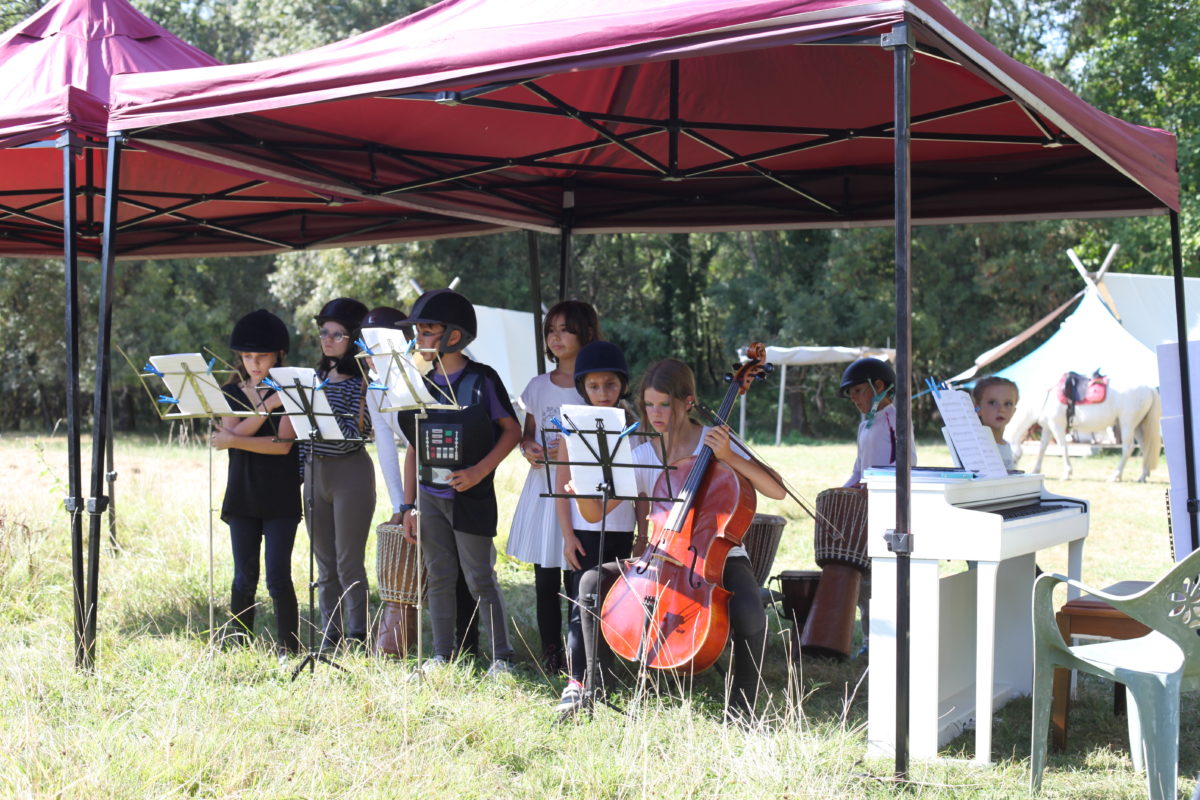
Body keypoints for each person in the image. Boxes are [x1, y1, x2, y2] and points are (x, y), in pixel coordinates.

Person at [572, 358, 785, 720]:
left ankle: (743, 709)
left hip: (719, 556)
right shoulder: (641, 455)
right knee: (592, 581)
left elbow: (776, 490)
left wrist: (729, 456)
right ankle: (593, 690)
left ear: (688, 402)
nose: (655, 414)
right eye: (649, 405)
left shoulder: (715, 441)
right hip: (659, 556)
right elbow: (594, 513)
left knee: (749, 611)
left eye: (664, 405)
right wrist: (578, 489)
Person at [397, 289, 522, 675]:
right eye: (417, 330)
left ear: (454, 335)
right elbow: (414, 446)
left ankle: (503, 658)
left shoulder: (483, 380)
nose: (419, 338)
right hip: (430, 498)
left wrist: (480, 471)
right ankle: (442, 655)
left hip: (473, 496)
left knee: (480, 577)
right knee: (438, 576)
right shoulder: (419, 384)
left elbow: (512, 430)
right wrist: (408, 506)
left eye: (428, 330)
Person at [361, 305, 478, 657]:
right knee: (439, 567)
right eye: (367, 351)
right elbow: (389, 451)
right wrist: (402, 507)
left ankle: (470, 645)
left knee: (465, 567)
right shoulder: (376, 391)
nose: (371, 360)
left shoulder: (433, 373)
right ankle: (443, 648)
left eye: (379, 349)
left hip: (460, 480)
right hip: (422, 485)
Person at [506, 300, 601, 675]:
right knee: (545, 577)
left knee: (577, 573)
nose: (555, 336)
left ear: (586, 333)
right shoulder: (537, 385)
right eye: (551, 329)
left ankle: (582, 653)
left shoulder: (594, 385)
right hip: (544, 488)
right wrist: (528, 448)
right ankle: (551, 654)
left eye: (565, 329)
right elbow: (527, 436)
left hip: (580, 490)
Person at [552, 341, 643, 716]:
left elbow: (643, 491)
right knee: (580, 604)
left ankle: (608, 674)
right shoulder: (571, 429)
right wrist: (567, 535)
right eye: (593, 386)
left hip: (623, 530)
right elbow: (561, 485)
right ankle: (578, 680)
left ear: (622, 385)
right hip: (583, 529)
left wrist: (643, 535)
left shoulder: (637, 430)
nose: (602, 393)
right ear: (582, 389)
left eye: (610, 385)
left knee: (618, 603)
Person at [211, 309, 301, 660]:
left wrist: (234, 439)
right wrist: (267, 407)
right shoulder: (231, 391)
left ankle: (288, 649)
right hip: (242, 495)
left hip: (280, 496)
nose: (254, 363)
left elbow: (282, 446)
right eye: (247, 356)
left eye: (261, 356)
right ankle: (240, 646)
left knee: (278, 576)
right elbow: (228, 431)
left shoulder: (293, 391)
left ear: (279, 354)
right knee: (243, 577)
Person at [299, 297, 375, 651]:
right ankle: (330, 631)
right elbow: (302, 434)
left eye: (337, 334)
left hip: (350, 474)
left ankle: (357, 633)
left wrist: (320, 402)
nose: (327, 340)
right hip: (316, 473)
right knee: (324, 562)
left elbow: (354, 437)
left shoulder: (364, 384)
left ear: (354, 340)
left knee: (348, 561)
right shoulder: (311, 378)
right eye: (323, 332)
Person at [839, 357, 914, 656]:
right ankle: (870, 638)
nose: (854, 399)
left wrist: (876, 487)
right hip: (865, 509)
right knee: (864, 578)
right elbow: (859, 470)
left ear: (879, 386)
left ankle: (893, 639)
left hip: (889, 509)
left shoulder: (896, 419)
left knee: (885, 578)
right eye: (851, 394)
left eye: (858, 391)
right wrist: (840, 494)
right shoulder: (865, 424)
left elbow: (905, 464)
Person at [972, 376, 1020, 471]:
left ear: (1014, 411)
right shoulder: (975, 447)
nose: (1001, 409)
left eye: (1008, 404)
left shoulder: (1007, 446)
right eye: (992, 402)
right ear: (977, 408)